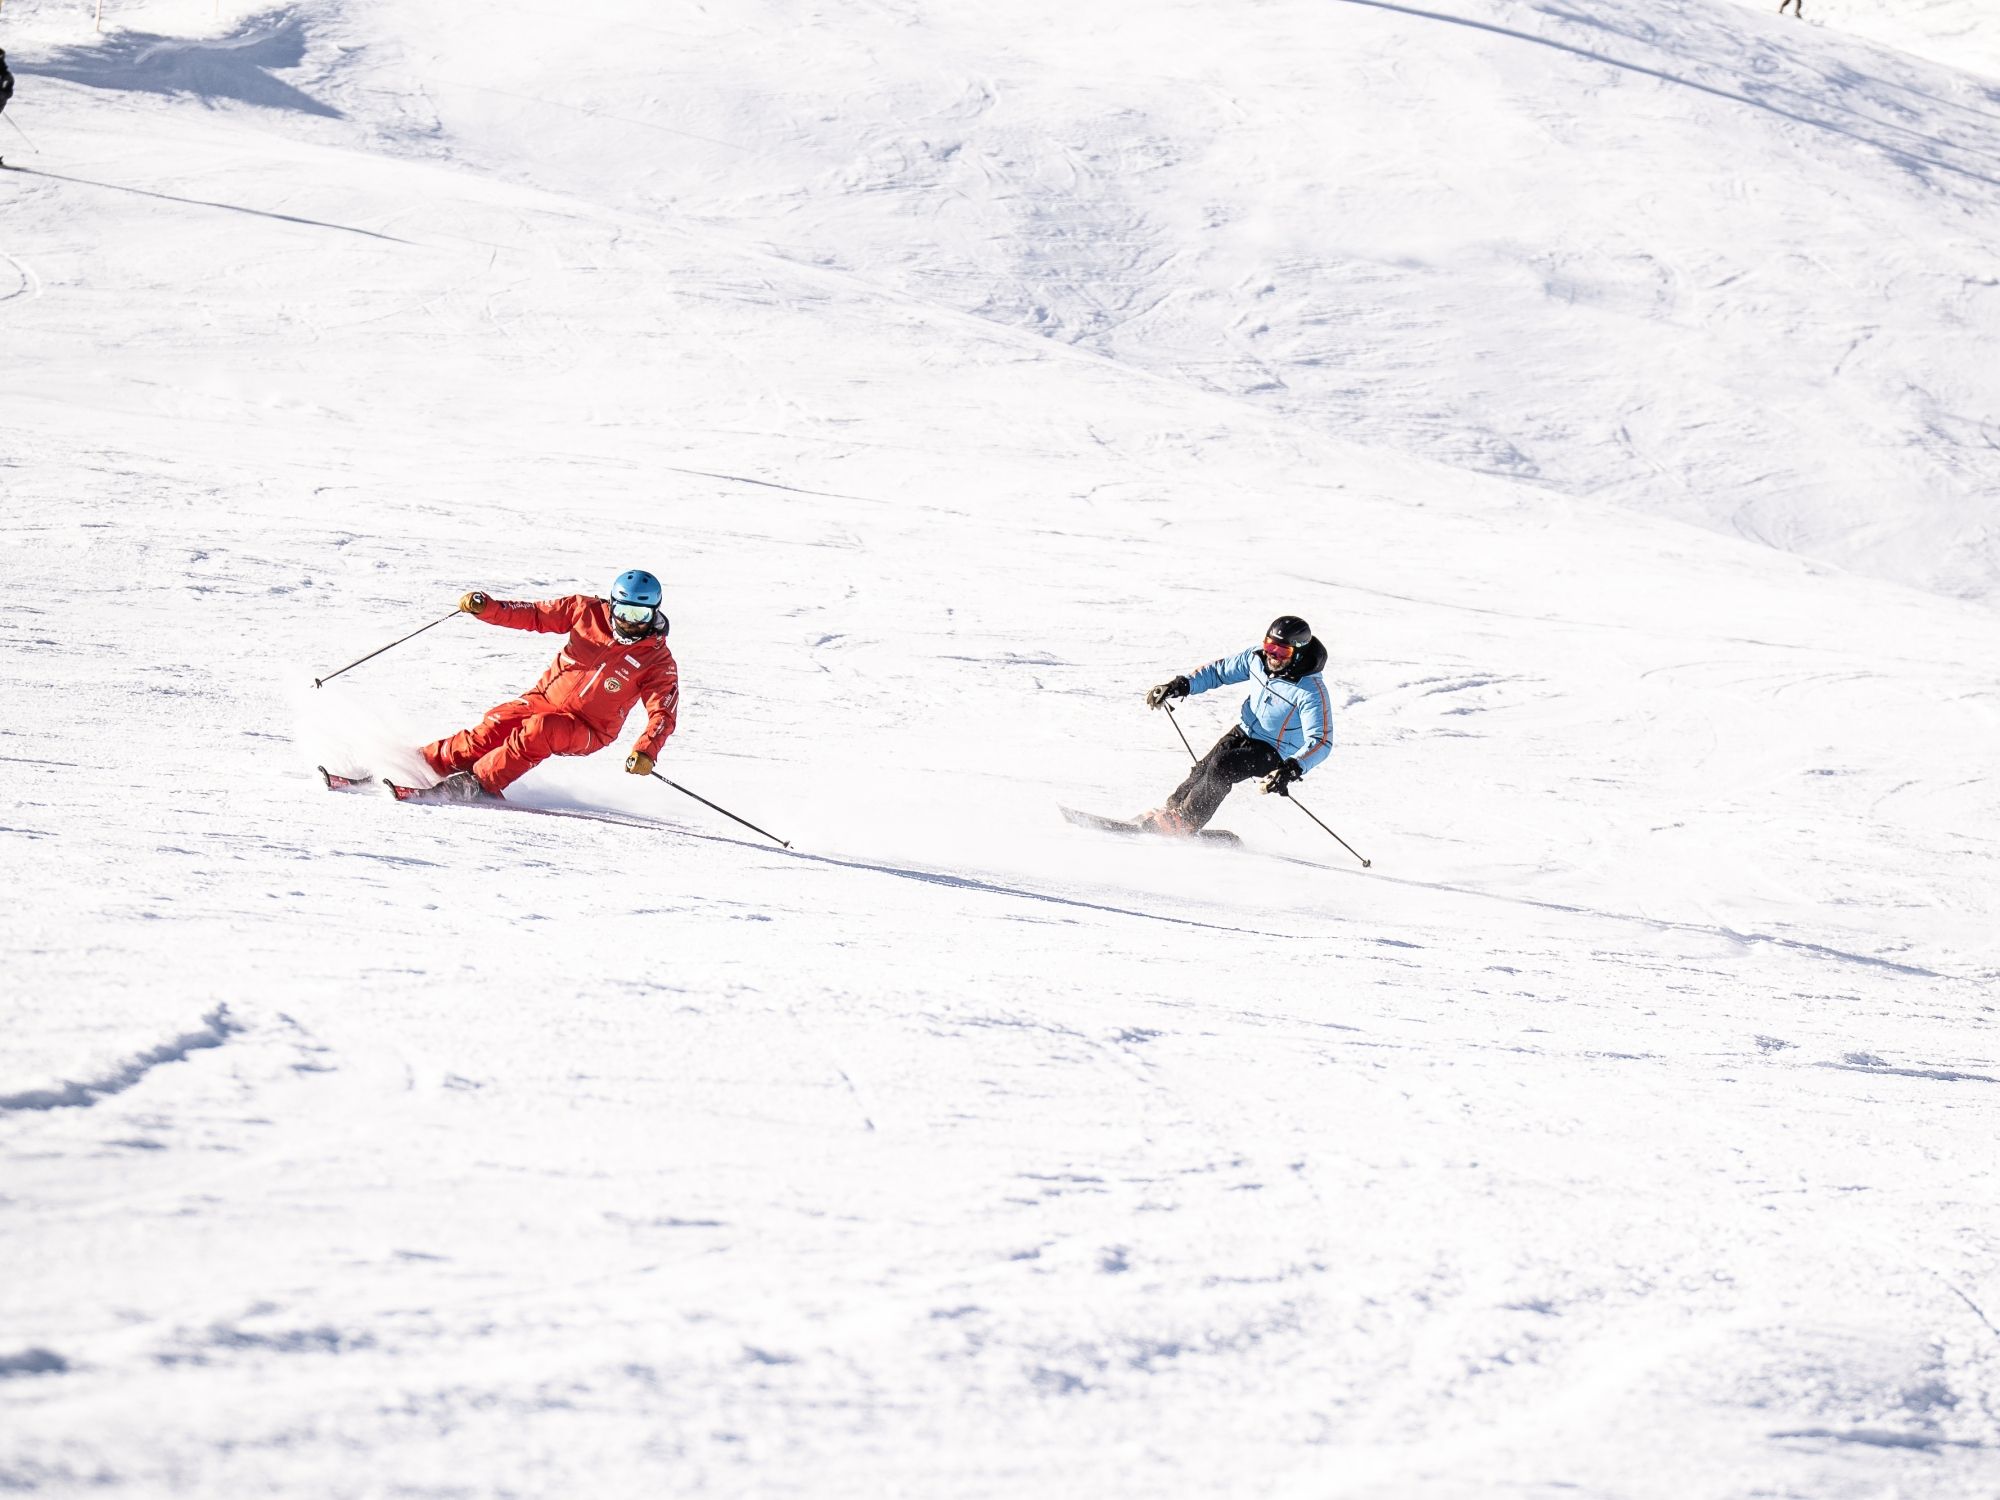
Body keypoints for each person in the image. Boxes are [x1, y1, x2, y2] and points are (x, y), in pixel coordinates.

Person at [419, 570, 678, 801]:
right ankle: (425, 762)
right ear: (612, 604)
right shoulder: (585, 611)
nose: (630, 622)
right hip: (542, 698)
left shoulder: (657, 660)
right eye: (623, 612)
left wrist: (645, 752)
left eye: (640, 615)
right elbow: (534, 615)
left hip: (589, 728)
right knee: (493, 728)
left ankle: (480, 783)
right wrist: (488, 608)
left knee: (542, 729)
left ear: (654, 612)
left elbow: (663, 714)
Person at [1140, 615, 1334, 834]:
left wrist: (1292, 768)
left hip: (1275, 751)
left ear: (1298, 653)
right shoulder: (1257, 658)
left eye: (1282, 652)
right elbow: (1219, 672)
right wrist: (1180, 685)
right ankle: (1171, 809)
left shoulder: (1310, 691)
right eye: (1270, 646)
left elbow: (1321, 740)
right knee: (1203, 768)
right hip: (1245, 730)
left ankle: (1186, 822)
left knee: (1222, 766)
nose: (1273, 656)